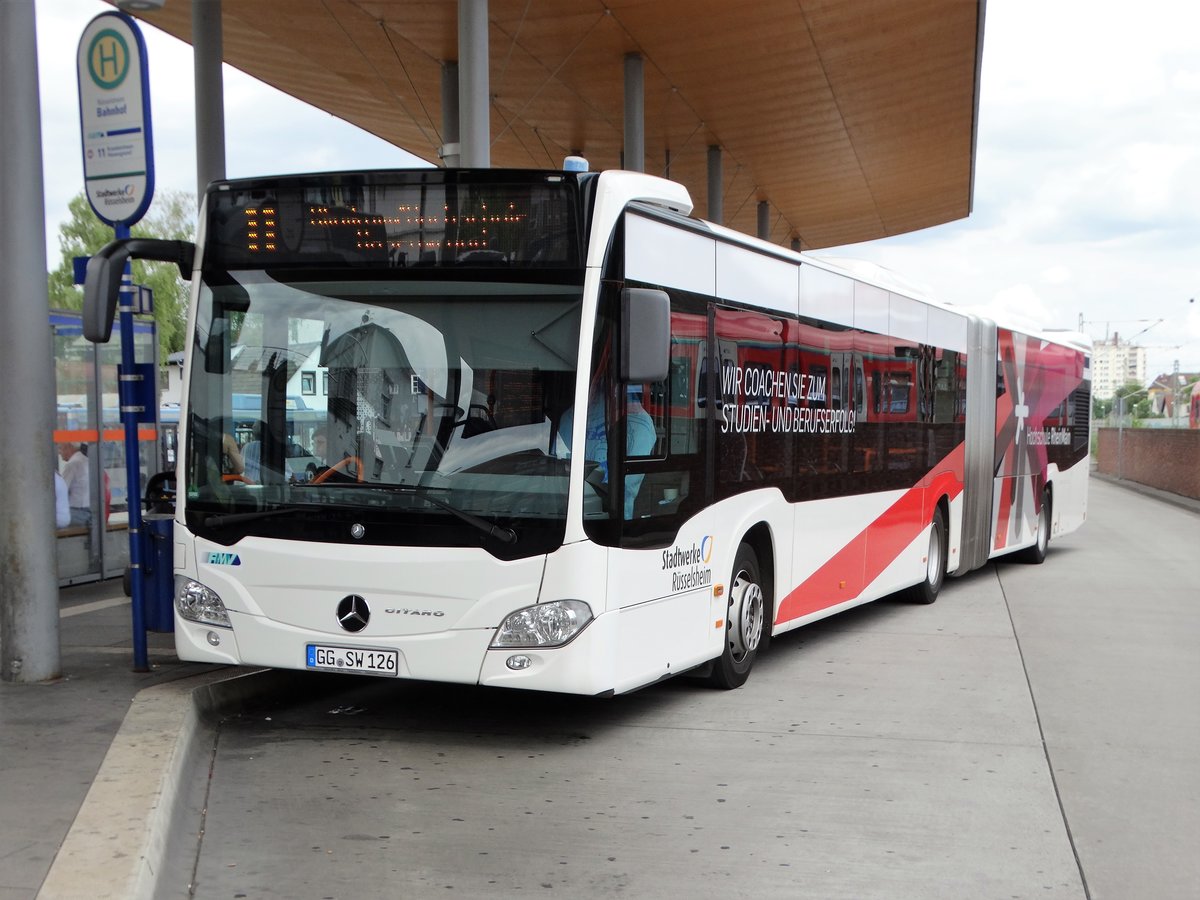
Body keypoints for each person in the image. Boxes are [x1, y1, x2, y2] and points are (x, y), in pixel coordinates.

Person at [558, 384, 656, 519]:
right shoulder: (572, 417)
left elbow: (629, 481)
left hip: (610, 515)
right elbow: (562, 459)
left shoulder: (639, 425)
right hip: (570, 509)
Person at [58, 441, 91, 527]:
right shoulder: (86, 460)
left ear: (69, 447)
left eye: (60, 448)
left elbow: (61, 489)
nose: (59, 452)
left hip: (79, 513)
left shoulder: (73, 464)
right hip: (89, 512)